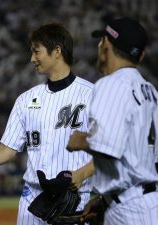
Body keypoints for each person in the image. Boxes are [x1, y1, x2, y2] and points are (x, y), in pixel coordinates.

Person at [0, 23, 95, 225]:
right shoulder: (26, 99)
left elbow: (110, 149)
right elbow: (6, 150)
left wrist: (82, 175)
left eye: (36, 52)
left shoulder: (92, 95)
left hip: (75, 199)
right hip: (32, 200)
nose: (32, 59)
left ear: (57, 51)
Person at [66, 17, 158, 225]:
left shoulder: (111, 84)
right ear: (141, 55)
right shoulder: (150, 91)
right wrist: (103, 200)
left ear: (105, 44)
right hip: (146, 202)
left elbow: (108, 147)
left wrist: (80, 141)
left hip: (130, 210)